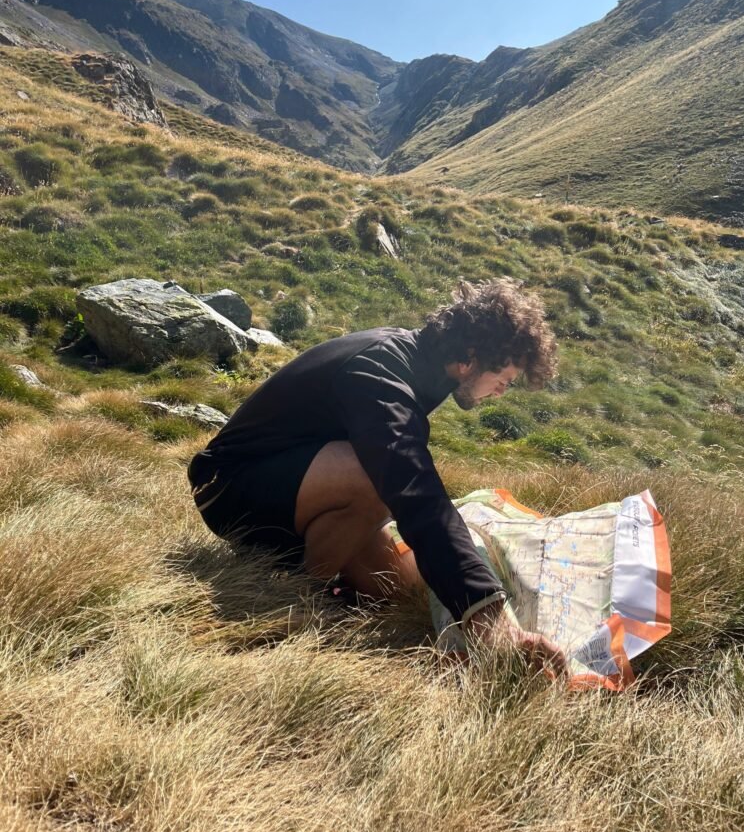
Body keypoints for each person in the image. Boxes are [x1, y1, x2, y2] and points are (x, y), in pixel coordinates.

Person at [188, 277, 565, 672]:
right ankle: (293, 599)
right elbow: (414, 492)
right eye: (503, 380)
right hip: (229, 487)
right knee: (376, 479)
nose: (502, 392)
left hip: (295, 483)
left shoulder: (422, 366)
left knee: (401, 587)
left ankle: (317, 575)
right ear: (470, 358)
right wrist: (489, 621)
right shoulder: (381, 373)